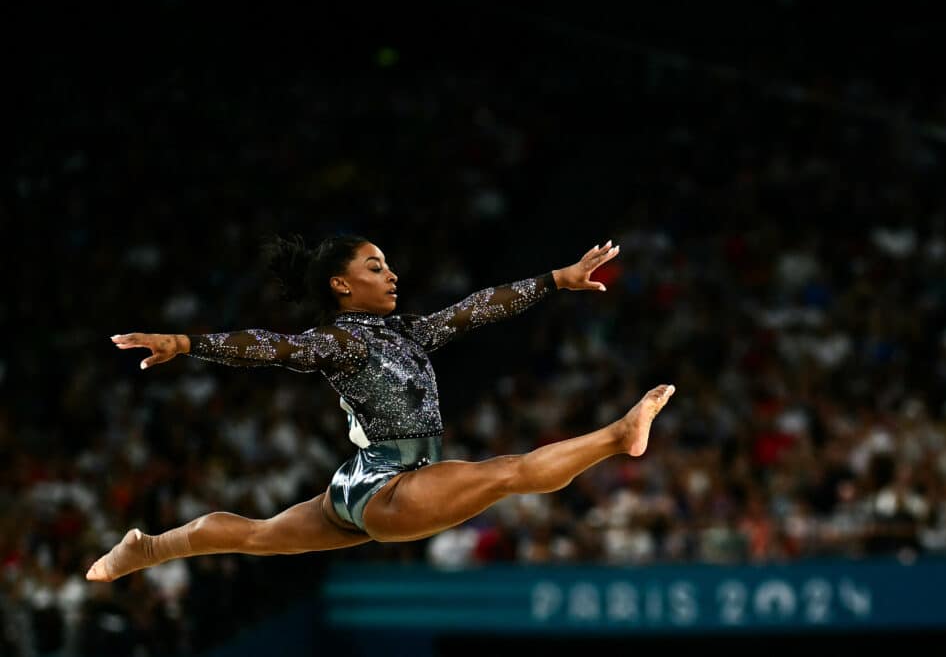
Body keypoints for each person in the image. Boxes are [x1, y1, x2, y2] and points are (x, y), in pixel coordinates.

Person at [86, 235, 675, 581]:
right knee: (507, 473)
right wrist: (188, 343)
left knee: (259, 535)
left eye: (388, 265)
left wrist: (556, 279)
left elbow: (477, 308)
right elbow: (271, 346)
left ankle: (148, 548)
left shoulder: (409, 332)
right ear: (341, 286)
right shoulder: (337, 341)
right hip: (389, 485)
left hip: (358, 484)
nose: (390, 274)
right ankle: (617, 436)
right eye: (374, 266)